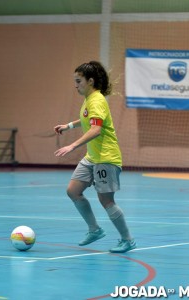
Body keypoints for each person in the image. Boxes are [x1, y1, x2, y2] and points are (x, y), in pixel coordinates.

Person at [54, 61, 136, 253]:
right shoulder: (89, 99)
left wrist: (73, 145)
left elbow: (96, 129)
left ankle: (127, 239)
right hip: (92, 157)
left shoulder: (97, 100)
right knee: (73, 191)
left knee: (106, 201)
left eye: (78, 81)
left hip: (106, 158)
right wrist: (68, 126)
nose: (76, 85)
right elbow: (86, 119)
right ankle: (95, 229)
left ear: (90, 81)